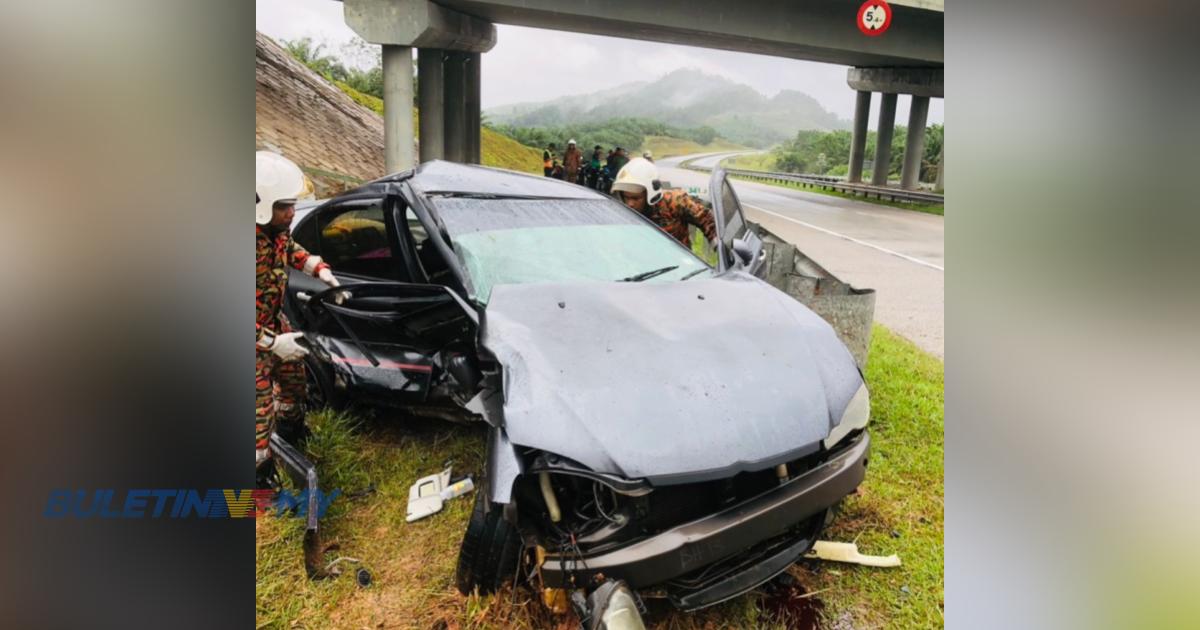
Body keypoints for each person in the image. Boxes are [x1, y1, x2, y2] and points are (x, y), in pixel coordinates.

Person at [255, 151, 344, 482]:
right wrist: (272, 343)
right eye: (284, 206)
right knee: (257, 413)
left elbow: (290, 249)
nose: (292, 212)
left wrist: (318, 268)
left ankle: (291, 433)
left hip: (274, 324)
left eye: (293, 204)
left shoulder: (273, 232)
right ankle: (260, 474)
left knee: (294, 383)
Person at [611, 157, 717, 248]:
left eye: (636, 198)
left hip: (681, 263)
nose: (630, 204)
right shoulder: (623, 213)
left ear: (650, 193)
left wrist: (717, 245)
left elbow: (705, 218)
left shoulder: (675, 201)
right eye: (626, 197)